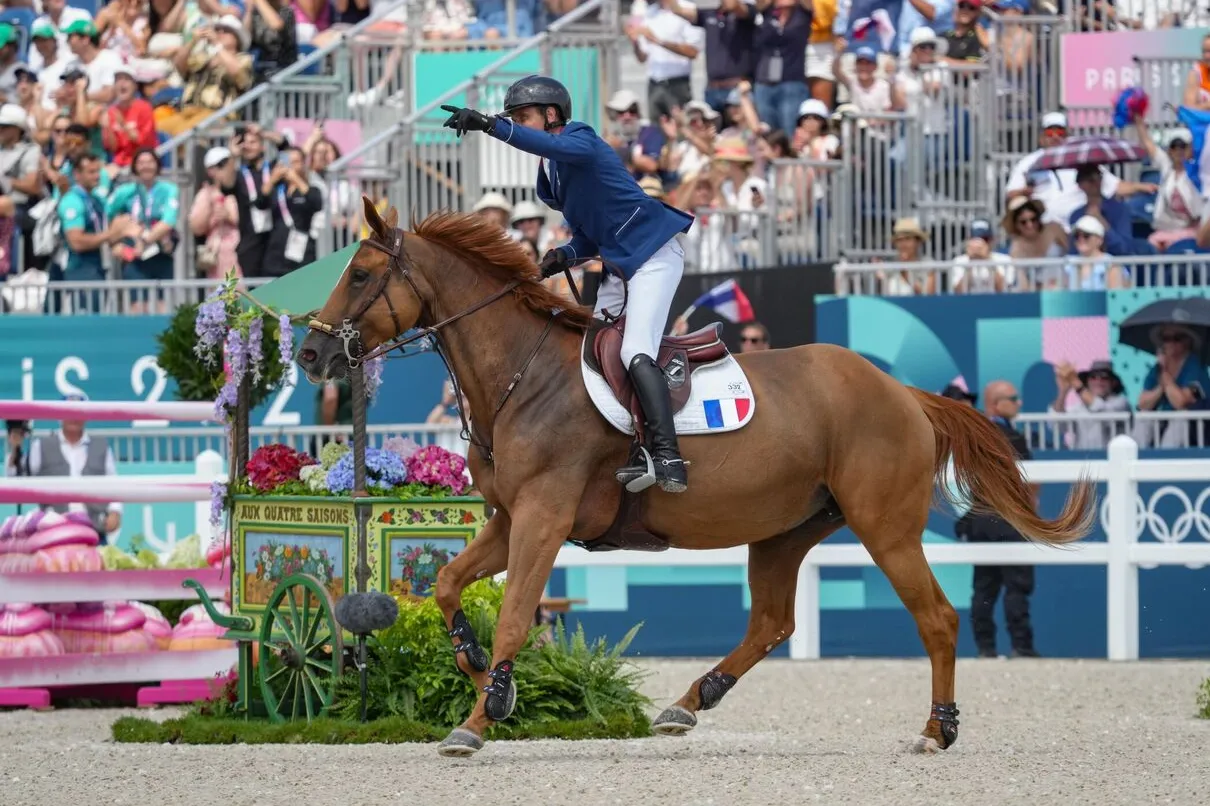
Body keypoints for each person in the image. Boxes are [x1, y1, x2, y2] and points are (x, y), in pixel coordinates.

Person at [440, 75, 695, 494]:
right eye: (514, 119)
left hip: (653, 256)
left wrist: (489, 125)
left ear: (552, 115)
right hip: (618, 265)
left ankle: (667, 455)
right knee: (592, 352)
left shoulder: (580, 139)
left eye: (525, 117)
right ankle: (625, 445)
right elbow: (588, 236)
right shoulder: (552, 175)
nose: (519, 124)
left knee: (633, 350)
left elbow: (549, 145)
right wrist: (567, 255)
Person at [953, 380, 1039, 659]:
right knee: (1016, 585)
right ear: (995, 404)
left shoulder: (975, 435)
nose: (1019, 402)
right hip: (1010, 518)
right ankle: (1021, 646)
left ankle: (985, 648)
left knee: (984, 586)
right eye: (1013, 398)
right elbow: (1029, 482)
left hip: (980, 519)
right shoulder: (1012, 437)